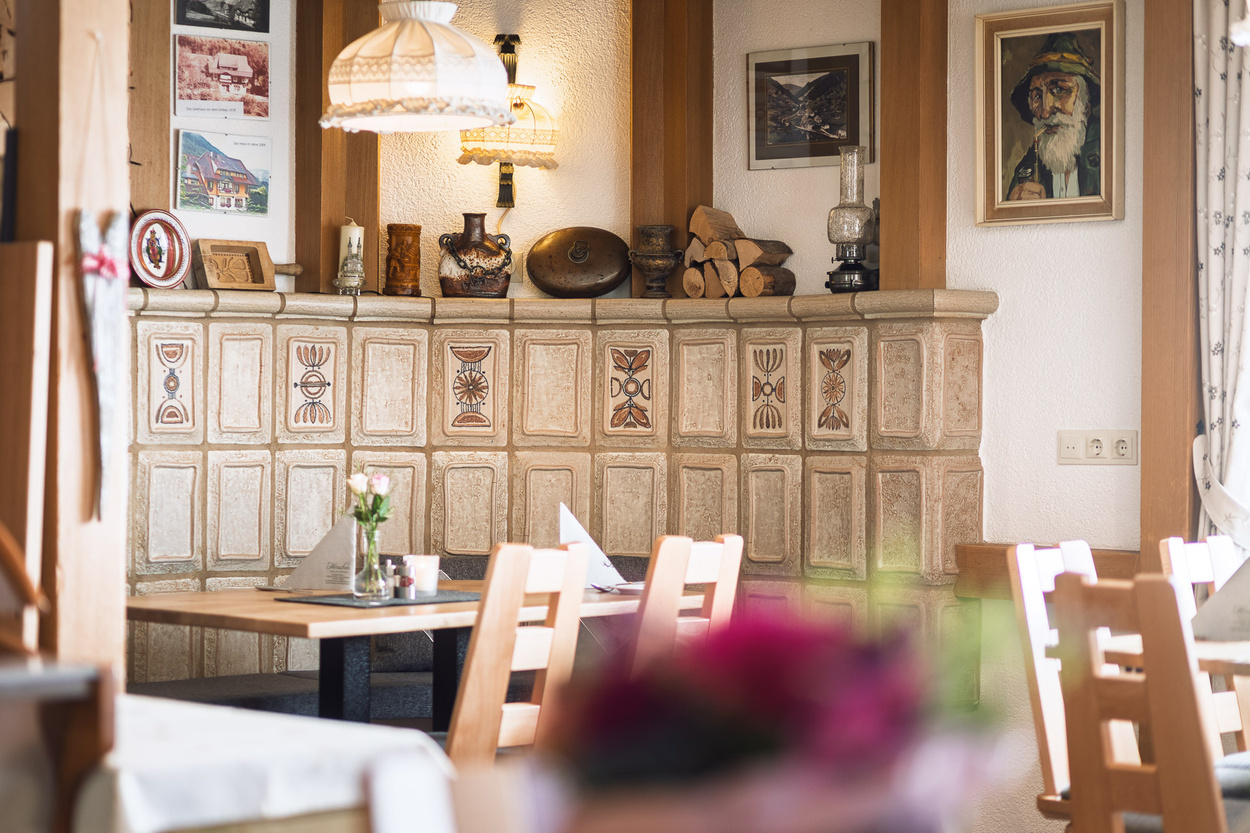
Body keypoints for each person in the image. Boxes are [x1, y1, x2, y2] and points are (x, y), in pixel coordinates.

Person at [1005, 32, 1101, 201]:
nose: (1045, 112)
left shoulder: (1109, 150)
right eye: (1037, 95)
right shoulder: (1028, 166)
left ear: (1086, 102)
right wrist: (1013, 207)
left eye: (1059, 90)